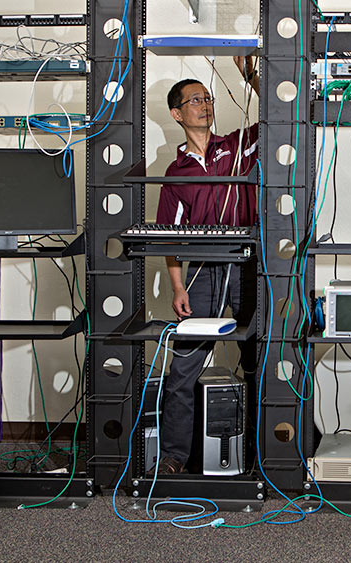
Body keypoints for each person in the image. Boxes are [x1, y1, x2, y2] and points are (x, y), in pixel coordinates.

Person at [153, 56, 261, 474]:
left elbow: (279, 112)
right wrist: (178, 288)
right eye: (195, 100)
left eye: (208, 98)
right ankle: (174, 458)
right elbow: (170, 238)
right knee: (184, 369)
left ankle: (259, 453)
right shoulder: (174, 172)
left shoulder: (236, 147)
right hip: (200, 272)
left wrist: (248, 75)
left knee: (258, 360)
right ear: (177, 113)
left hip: (246, 267)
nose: (205, 105)